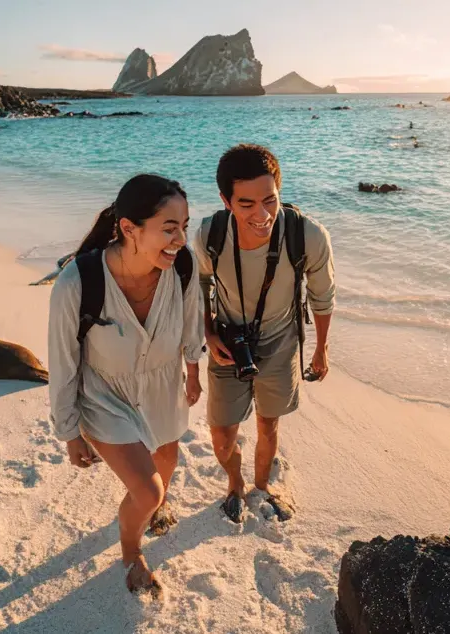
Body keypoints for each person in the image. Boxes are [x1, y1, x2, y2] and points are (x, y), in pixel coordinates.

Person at [47, 174, 205, 596]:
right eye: (169, 228)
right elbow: (63, 364)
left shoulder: (183, 267)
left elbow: (192, 320)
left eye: (185, 227)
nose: (179, 239)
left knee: (166, 463)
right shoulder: (78, 283)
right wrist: (69, 432)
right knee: (149, 488)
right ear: (129, 228)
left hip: (162, 386)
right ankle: (131, 551)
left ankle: (153, 507)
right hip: (105, 396)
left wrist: (193, 369)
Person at [193, 144, 336, 524]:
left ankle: (261, 485)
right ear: (225, 200)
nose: (262, 214)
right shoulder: (210, 234)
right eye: (247, 204)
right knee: (222, 434)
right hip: (227, 342)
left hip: (280, 339)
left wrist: (321, 350)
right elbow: (199, 287)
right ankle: (234, 485)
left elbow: (323, 298)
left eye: (270, 200)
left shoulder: (308, 236)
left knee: (268, 423)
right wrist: (209, 334)